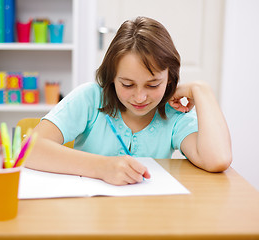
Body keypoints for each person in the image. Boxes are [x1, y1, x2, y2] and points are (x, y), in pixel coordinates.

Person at [25, 16, 232, 186]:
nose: (140, 97)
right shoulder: (90, 98)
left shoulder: (174, 112)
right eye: (127, 84)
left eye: (153, 85)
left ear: (169, 78)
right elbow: (29, 149)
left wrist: (201, 90)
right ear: (112, 77)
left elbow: (217, 159)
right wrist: (101, 167)